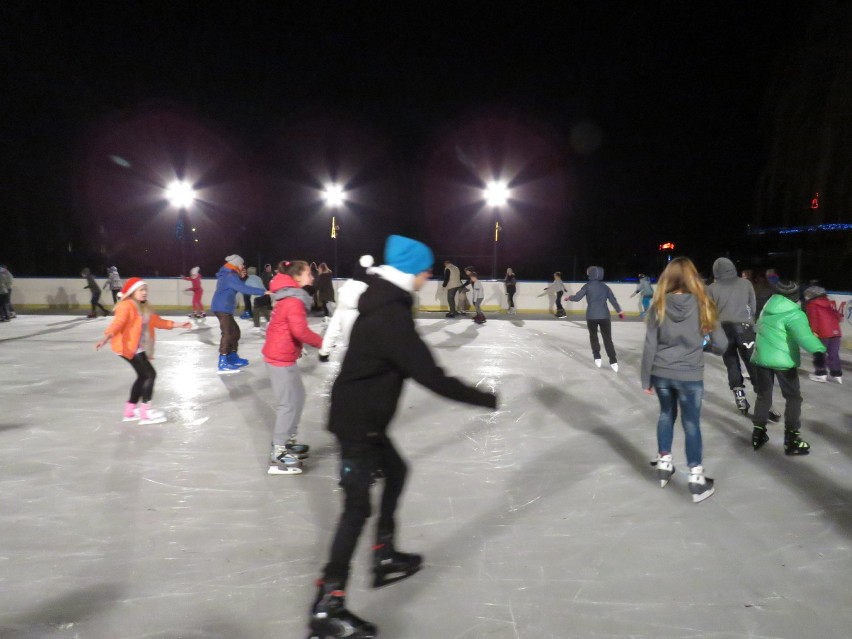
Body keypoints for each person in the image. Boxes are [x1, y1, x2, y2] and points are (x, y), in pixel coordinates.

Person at [308, 235, 498, 638]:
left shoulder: (386, 302)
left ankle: (384, 555)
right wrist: (483, 399)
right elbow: (429, 374)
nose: (429, 276)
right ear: (412, 271)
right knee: (356, 509)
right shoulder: (390, 315)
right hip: (358, 424)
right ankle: (327, 604)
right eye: (426, 270)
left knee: (396, 471)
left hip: (364, 420)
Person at [640, 257, 727, 504]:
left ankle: (664, 464)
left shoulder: (659, 305)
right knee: (691, 423)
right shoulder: (704, 304)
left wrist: (646, 379)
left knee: (666, 414)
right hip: (690, 375)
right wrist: (709, 347)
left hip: (662, 373)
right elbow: (721, 344)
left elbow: (650, 345)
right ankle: (697, 480)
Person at [94, 278, 192, 424]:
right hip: (127, 346)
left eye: (145, 289)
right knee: (150, 374)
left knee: (142, 376)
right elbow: (118, 323)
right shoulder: (126, 305)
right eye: (141, 290)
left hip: (136, 346)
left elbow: (158, 322)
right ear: (132, 292)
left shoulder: (143, 307)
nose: (144, 292)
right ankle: (145, 412)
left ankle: (130, 410)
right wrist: (106, 337)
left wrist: (178, 324)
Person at [750, 280, 827, 455]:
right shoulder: (794, 314)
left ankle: (758, 434)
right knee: (793, 398)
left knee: (763, 396)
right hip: (784, 362)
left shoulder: (766, 309)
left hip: (761, 359)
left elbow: (758, 329)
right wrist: (819, 351)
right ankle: (792, 439)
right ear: (794, 297)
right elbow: (805, 337)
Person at [262, 260, 324, 475]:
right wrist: (322, 343)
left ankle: (287, 441)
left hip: (284, 355)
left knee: (298, 397)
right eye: (308, 274)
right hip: (280, 358)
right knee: (288, 404)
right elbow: (300, 331)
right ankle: (278, 453)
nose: (312, 277)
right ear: (297, 277)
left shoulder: (290, 296)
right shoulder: (292, 300)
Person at [707, 257, 760, 415]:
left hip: (723, 329)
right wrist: (748, 319)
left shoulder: (711, 288)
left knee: (731, 362)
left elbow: (709, 312)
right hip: (745, 328)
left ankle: (739, 393)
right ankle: (762, 395)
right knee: (752, 362)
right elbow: (753, 306)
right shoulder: (745, 283)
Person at [210, 255, 266, 374]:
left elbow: (238, 285)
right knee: (228, 333)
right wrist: (263, 292)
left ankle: (232, 356)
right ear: (236, 264)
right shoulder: (230, 275)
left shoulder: (230, 274)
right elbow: (244, 289)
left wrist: (241, 278)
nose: (243, 266)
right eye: (241, 264)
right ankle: (223, 361)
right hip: (221, 307)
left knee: (235, 332)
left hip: (224, 307)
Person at [567, 266, 624, 371]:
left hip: (591, 316)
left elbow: (577, 298)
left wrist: (569, 297)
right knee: (608, 339)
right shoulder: (605, 287)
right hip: (605, 316)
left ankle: (597, 356)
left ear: (590, 275)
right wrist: (619, 311)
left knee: (593, 336)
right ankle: (613, 360)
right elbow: (613, 301)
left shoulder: (587, 286)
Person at [318, 255, 374, 362]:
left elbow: (333, 328)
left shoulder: (345, 294)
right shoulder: (370, 293)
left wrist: (324, 351)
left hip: (351, 355)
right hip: (368, 354)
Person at [803, 286, 843, 384]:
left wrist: (814, 331)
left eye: (808, 295)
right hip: (836, 332)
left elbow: (813, 319)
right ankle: (836, 374)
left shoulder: (812, 304)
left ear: (812, 295)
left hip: (822, 332)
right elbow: (838, 317)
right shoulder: (828, 302)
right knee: (833, 353)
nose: (806, 297)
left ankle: (820, 373)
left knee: (819, 352)